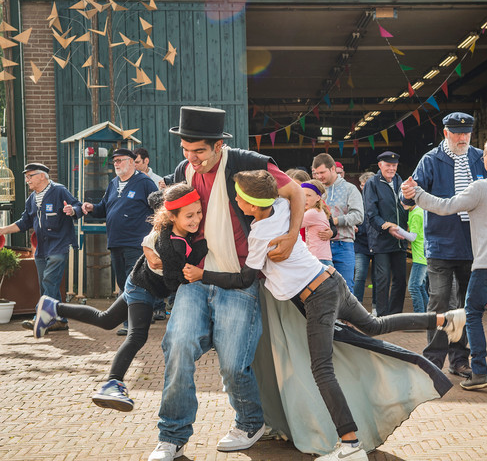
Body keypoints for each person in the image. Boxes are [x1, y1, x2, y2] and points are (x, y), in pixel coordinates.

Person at [194, 169, 463, 461]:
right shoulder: (282, 207)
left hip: (317, 298)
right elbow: (290, 191)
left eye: (239, 198)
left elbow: (245, 278)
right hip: (331, 280)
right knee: (374, 325)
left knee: (322, 370)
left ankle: (350, 445)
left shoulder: (259, 235)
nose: (235, 200)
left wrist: (202, 274)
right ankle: (445, 319)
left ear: (252, 204)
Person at [147, 106, 304, 461]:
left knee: (234, 364)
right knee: (178, 348)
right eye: (186, 150)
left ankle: (250, 421)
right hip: (193, 277)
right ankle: (171, 436)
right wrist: (151, 245)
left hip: (238, 280)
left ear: (218, 145)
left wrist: (293, 235)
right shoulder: (182, 170)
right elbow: (171, 218)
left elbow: (294, 191)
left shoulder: (247, 163)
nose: (191, 158)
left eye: (199, 151)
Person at [32, 184, 207, 411]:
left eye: (199, 212)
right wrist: (201, 250)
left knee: (105, 319)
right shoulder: (172, 242)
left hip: (138, 281)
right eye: (190, 216)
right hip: (142, 288)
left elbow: (155, 198)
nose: (196, 220)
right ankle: (112, 384)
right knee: (137, 336)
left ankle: (53, 307)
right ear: (172, 217)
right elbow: (175, 280)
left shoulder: (170, 228)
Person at [403, 135, 487, 391]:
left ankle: (480, 372)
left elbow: (446, 206)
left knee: (472, 314)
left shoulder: (480, 187)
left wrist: (417, 193)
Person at [400, 112, 487, 378]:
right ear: (445, 133)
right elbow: (409, 198)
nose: (462, 138)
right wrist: (405, 196)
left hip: (472, 244)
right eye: (457, 133)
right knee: (438, 302)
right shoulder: (430, 160)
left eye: (466, 133)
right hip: (439, 244)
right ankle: (433, 360)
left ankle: (460, 360)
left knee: (465, 305)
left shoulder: (480, 158)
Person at [82, 148, 158, 335]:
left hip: (136, 242)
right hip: (116, 242)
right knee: (123, 281)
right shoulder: (113, 183)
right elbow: (104, 208)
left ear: (132, 162)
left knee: (134, 281)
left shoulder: (144, 182)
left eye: (120, 160)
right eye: (114, 161)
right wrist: (92, 207)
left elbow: (159, 207)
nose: (116, 164)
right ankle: (130, 320)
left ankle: (134, 324)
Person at [0, 163, 83, 332]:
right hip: (41, 249)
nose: (27, 180)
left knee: (49, 281)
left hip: (59, 246)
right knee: (47, 286)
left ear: (42, 176)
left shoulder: (59, 191)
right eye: (26, 176)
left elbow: (78, 206)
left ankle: (39, 317)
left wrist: (72, 210)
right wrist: (3, 230)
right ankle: (60, 320)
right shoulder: (31, 199)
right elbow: (24, 223)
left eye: (30, 176)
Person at [363, 151, 408, 316]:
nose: (391, 168)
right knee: (382, 279)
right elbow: (371, 213)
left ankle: (395, 314)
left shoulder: (399, 180)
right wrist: (386, 227)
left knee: (401, 279)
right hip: (382, 239)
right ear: (380, 165)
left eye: (394, 165)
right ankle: (382, 316)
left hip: (400, 238)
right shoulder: (372, 183)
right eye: (388, 165)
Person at [312, 153, 363, 292]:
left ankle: (347, 315)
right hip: (319, 246)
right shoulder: (314, 190)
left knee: (345, 289)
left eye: (322, 172)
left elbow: (358, 216)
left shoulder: (350, 189)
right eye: (316, 173)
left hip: (343, 244)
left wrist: (334, 221)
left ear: (333, 169)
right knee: (321, 290)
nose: (319, 177)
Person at [134, 147, 167, 321]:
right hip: (140, 232)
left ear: (146, 161)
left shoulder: (158, 181)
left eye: (137, 162)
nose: (135, 165)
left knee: (157, 267)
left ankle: (159, 307)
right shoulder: (129, 180)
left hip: (155, 230)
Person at [353, 171, 377, 313]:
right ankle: (357, 307)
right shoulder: (357, 200)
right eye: (363, 184)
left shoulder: (380, 199)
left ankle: (376, 307)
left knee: (377, 278)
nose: (366, 187)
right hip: (361, 244)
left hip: (377, 244)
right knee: (360, 275)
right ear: (361, 186)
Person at [301, 180, 333, 266]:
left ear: (318, 198)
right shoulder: (318, 211)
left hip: (318, 259)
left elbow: (292, 224)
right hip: (321, 258)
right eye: (303, 195)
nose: (305, 198)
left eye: (309, 195)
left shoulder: (313, 213)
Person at [407, 203, 427, 314]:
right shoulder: (417, 211)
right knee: (420, 287)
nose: (401, 202)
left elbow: (412, 236)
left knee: (413, 287)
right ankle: (427, 317)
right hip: (422, 255)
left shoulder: (416, 214)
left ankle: (419, 318)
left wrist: (396, 229)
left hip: (420, 256)